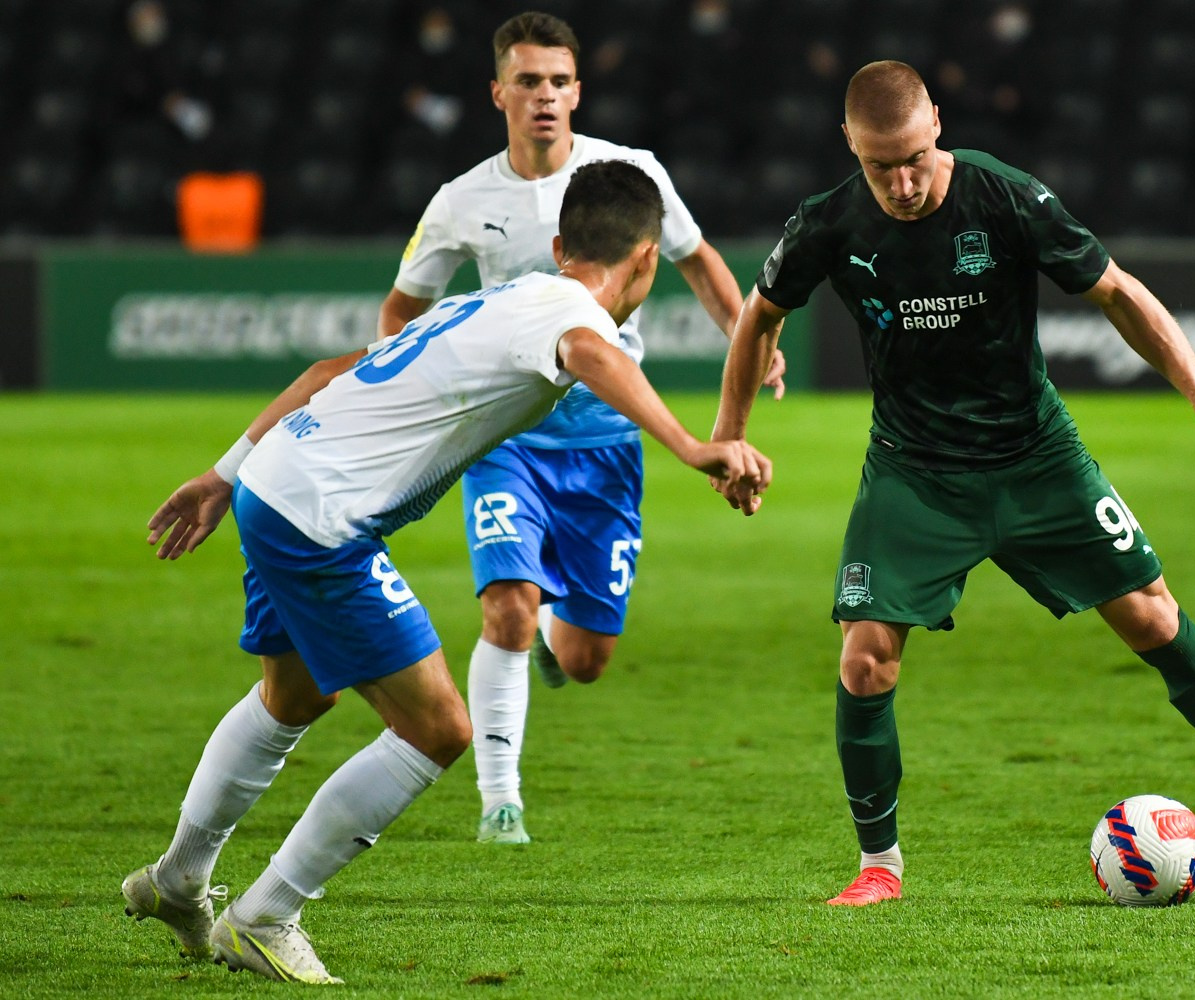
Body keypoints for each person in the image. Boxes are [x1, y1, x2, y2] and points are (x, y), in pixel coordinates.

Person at [710, 60, 1195, 907]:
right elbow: (760, 313)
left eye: (913, 159)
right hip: (915, 472)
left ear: (938, 122)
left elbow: (1118, 293)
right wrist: (730, 434)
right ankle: (879, 868)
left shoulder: (1004, 197)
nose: (901, 184)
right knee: (865, 662)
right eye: (878, 166)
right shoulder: (828, 222)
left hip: (1036, 457)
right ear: (849, 145)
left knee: (1153, 617)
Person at [122, 161, 772, 982]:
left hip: (274, 481)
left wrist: (225, 473)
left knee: (294, 695)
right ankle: (265, 915)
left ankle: (179, 880)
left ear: (561, 245)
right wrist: (692, 446)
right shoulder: (572, 318)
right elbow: (587, 351)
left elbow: (325, 373)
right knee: (437, 730)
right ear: (648, 260)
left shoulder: (493, 300)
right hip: (322, 520)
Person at [379, 10, 785, 847]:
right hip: (507, 434)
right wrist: (410, 390)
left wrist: (745, 340)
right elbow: (403, 305)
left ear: (577, 91)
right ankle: (500, 802)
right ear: (498, 93)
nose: (545, 97)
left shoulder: (630, 175)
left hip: (606, 439)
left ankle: (553, 647)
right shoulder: (462, 200)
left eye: (559, 82)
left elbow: (699, 259)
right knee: (508, 608)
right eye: (528, 81)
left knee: (586, 658)